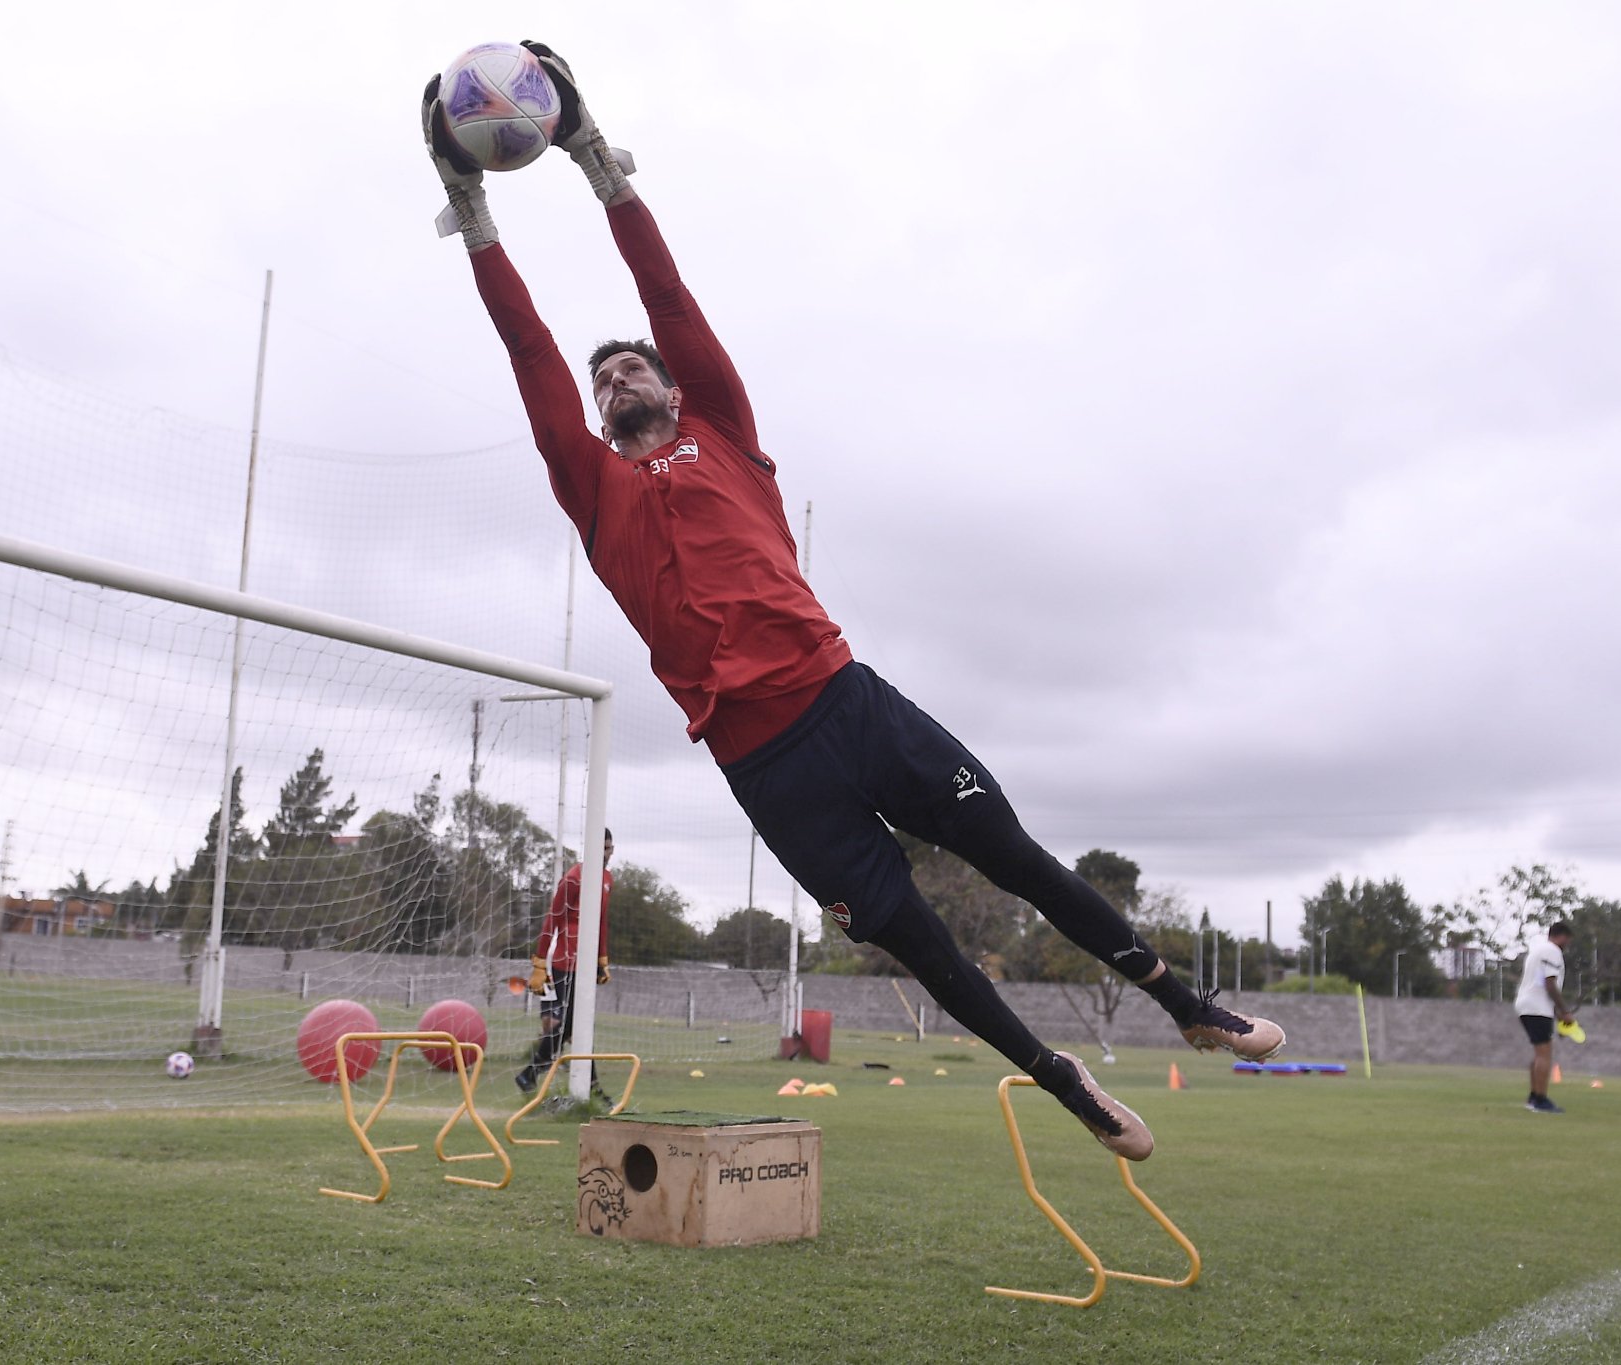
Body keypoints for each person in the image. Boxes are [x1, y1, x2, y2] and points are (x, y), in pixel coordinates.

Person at [422, 44, 1284, 1160]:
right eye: (603, 381)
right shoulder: (592, 490)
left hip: (848, 705)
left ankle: (1188, 1007)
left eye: (632, 367)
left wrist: (594, 161)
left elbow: (667, 298)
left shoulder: (722, 430)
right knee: (921, 944)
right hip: (766, 767)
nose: (615, 375)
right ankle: (1063, 1083)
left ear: (677, 388)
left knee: (1014, 857)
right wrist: (469, 206)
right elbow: (526, 348)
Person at [514, 828, 614, 1096]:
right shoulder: (573, 879)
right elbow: (552, 919)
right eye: (604, 848)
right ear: (591, 848)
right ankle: (536, 1073)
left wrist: (601, 959)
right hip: (564, 963)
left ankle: (534, 1074)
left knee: (576, 1026)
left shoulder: (606, 879)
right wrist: (539, 962)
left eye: (610, 847)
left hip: (586, 962)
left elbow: (601, 922)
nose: (609, 853)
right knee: (571, 1023)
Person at [1514, 920, 1574, 1114]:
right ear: (1562, 936)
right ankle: (1540, 1099)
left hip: (1529, 1005)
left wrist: (1557, 1015)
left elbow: (1541, 984)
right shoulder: (1552, 951)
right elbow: (1549, 983)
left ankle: (1533, 1096)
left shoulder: (1538, 951)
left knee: (1540, 1053)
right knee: (1544, 1053)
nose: (1567, 945)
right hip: (1536, 1007)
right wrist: (1565, 1011)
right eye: (1567, 940)